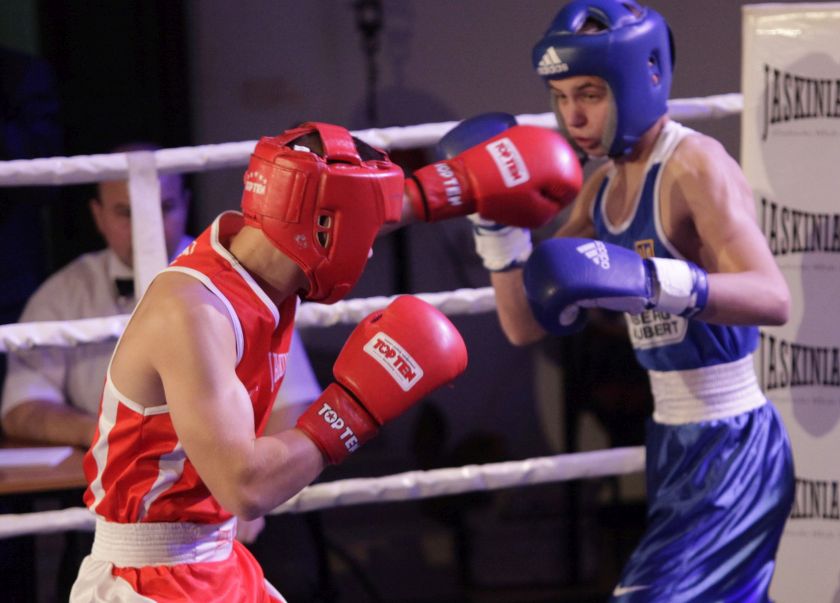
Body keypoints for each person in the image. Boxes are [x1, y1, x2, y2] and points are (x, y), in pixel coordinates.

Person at [452, 1, 793, 600]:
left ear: (645, 77)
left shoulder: (694, 166)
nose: (574, 116)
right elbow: (524, 323)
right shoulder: (603, 187)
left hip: (734, 444)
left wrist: (651, 279)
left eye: (590, 94)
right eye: (561, 97)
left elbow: (772, 297)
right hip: (672, 440)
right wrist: (496, 226)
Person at [68, 122, 470, 602]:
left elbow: (342, 210)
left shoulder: (263, 258)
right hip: (144, 580)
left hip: (214, 560)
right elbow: (247, 488)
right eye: (366, 232)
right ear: (323, 231)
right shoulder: (194, 314)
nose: (369, 248)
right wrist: (355, 410)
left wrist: (457, 187)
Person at [1, 144, 322, 450]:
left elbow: (293, 402)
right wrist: (108, 435)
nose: (147, 228)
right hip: (111, 478)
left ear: (185, 205)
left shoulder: (244, 280)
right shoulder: (63, 293)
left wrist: (241, 472)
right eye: (126, 213)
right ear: (99, 216)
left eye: (164, 208)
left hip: (222, 480)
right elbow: (22, 407)